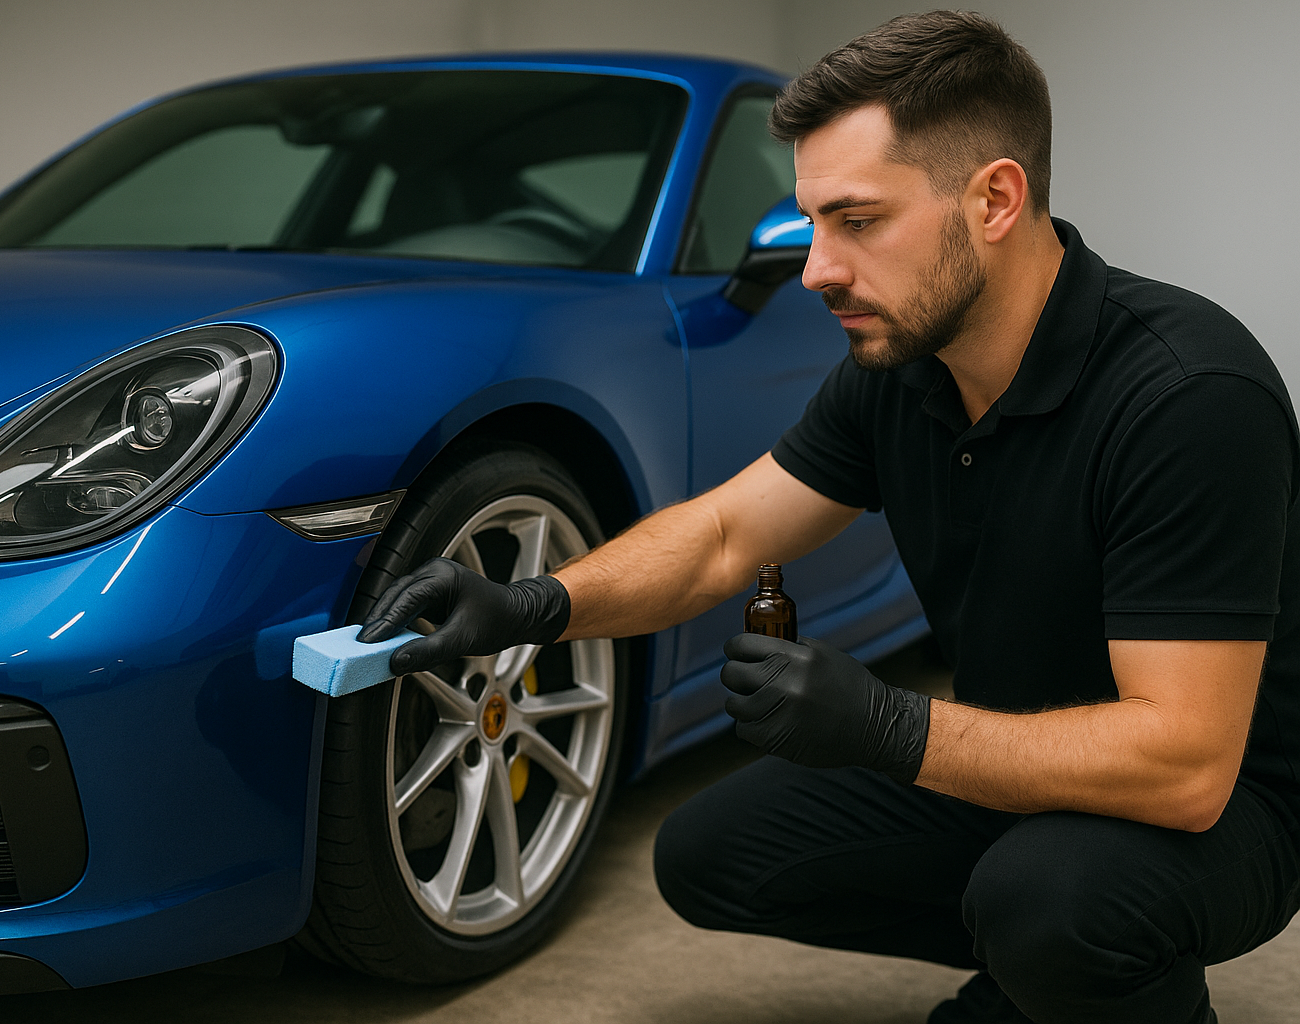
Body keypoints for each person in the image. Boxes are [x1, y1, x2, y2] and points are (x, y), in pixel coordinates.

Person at [357, 11, 1300, 1023]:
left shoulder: (1188, 392)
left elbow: (1186, 767)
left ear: (994, 199)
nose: (817, 269)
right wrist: (533, 604)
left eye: (857, 220)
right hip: (1010, 765)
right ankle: (1058, 968)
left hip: (1220, 811)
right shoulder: (905, 367)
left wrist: (887, 722)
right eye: (811, 223)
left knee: (1052, 901)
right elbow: (724, 534)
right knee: (709, 856)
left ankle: (1085, 955)